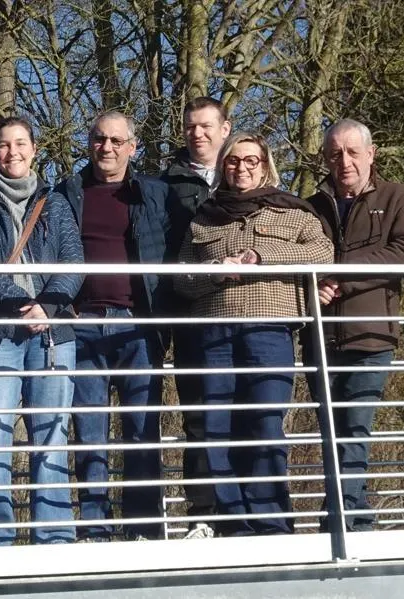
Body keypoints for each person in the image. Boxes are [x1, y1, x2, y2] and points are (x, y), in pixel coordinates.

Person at [174, 131, 332, 536]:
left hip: (269, 329)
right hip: (214, 332)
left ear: (265, 166)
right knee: (217, 428)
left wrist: (263, 256)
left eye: (250, 161)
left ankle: (271, 523)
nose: (241, 168)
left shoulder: (294, 212)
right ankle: (234, 525)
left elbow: (322, 253)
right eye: (233, 161)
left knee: (265, 424)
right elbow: (182, 278)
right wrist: (215, 273)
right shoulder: (204, 217)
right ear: (223, 166)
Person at [0, 116, 84, 547]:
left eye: (20, 144)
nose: (12, 152)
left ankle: (55, 535)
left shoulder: (56, 201)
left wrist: (47, 306)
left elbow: (73, 262)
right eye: (3, 145)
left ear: (34, 149)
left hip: (53, 333)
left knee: (53, 433)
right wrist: (21, 305)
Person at [303, 119, 404, 533]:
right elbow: (298, 259)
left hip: (371, 335)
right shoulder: (310, 205)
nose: (345, 161)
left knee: (355, 428)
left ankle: (340, 519)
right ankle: (353, 517)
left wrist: (340, 274)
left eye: (353, 152)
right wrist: (312, 286)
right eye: (335, 153)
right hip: (320, 336)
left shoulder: (396, 197)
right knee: (331, 430)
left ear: (371, 154)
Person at [55, 112, 170, 542]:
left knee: (142, 430)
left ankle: (143, 528)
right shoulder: (67, 194)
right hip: (82, 325)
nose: (107, 147)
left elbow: (172, 248)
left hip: (137, 325)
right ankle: (95, 529)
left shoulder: (153, 194)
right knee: (89, 434)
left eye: (116, 141)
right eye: (99, 139)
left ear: (132, 147)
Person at [162, 97, 231, 537]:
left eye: (206, 125)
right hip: (189, 314)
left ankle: (247, 510)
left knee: (249, 414)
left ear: (225, 129)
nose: (197, 134)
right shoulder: (163, 184)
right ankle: (203, 514)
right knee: (200, 417)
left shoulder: (249, 172)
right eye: (190, 126)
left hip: (245, 311)